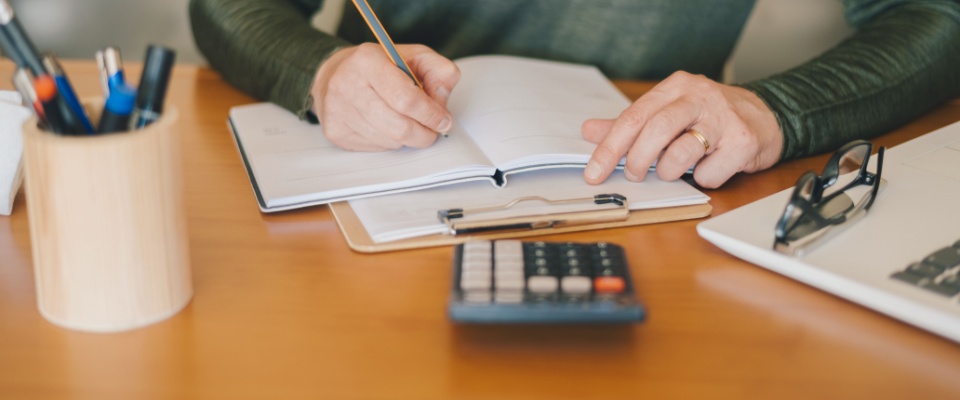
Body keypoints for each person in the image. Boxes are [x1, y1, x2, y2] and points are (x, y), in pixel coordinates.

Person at [189, 0, 960, 188]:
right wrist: (321, 74)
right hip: (381, 169)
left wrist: (775, 111)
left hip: (658, 184)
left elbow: (938, 15)